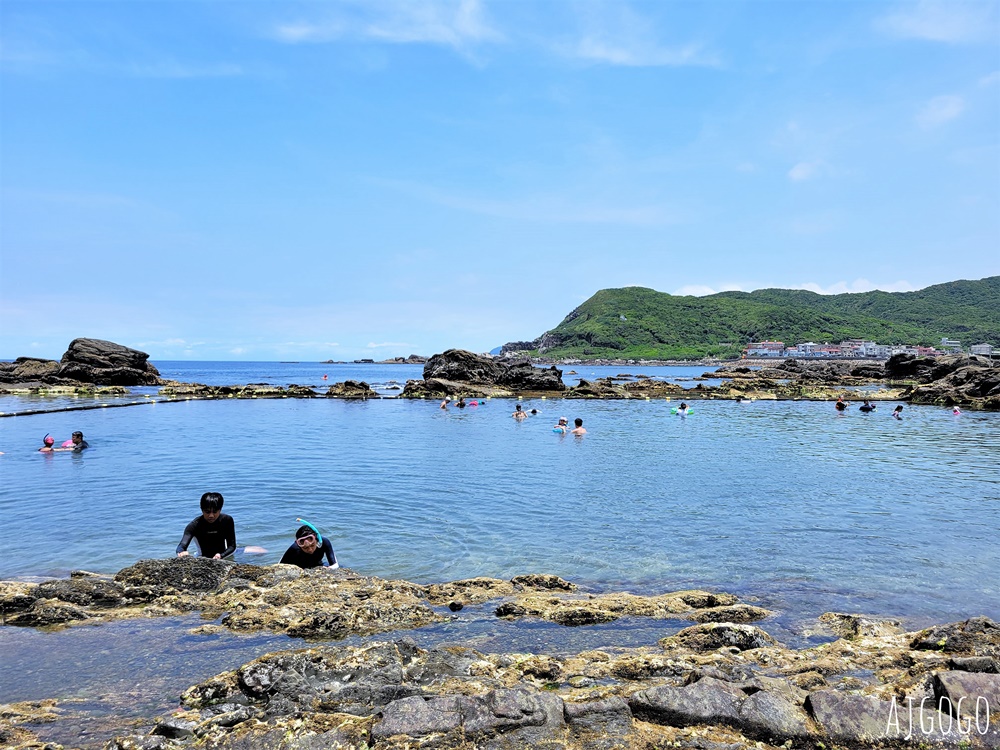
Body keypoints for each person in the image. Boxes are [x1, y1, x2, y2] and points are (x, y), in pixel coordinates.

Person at [176, 492, 236, 559]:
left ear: (220, 509)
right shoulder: (194, 525)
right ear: (201, 509)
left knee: (249, 550)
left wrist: (221, 555)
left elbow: (232, 546)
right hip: (202, 558)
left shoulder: (227, 520)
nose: (211, 515)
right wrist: (181, 552)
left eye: (215, 512)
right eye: (207, 512)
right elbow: (182, 545)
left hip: (223, 555)